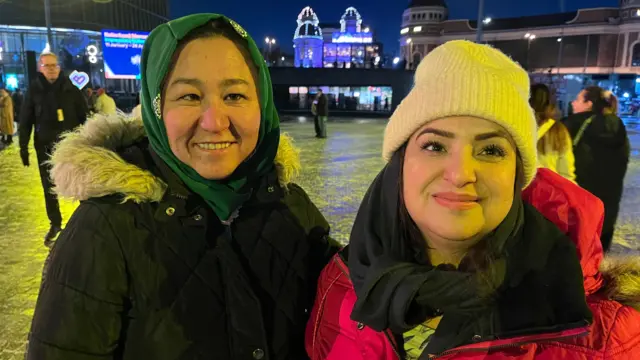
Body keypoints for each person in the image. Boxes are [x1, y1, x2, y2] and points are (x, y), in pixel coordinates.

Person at [27, 14, 339, 360]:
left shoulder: (290, 206)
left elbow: (355, 292)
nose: (214, 122)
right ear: (156, 108)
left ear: (262, 104)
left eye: (235, 95)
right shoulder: (103, 231)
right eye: (189, 96)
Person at [305, 41, 640, 360]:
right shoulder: (340, 282)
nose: (461, 173)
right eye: (435, 146)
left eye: (491, 150)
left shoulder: (609, 339)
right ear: (400, 164)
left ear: (517, 175)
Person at [19, 52, 88, 246]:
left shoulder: (70, 89)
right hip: (45, 146)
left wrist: (89, 142)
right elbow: (25, 120)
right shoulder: (34, 91)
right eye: (47, 65)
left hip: (71, 146)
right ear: (40, 68)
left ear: (59, 67)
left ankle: (86, 220)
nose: (51, 69)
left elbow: (84, 116)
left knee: (80, 182)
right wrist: (23, 147)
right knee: (49, 187)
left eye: (54, 65)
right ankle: (56, 223)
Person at [563, 86, 630, 252]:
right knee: (595, 255)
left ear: (589, 104)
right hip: (607, 206)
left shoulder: (571, 125)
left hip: (576, 205)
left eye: (578, 99)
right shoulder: (618, 127)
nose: (573, 102)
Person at [530, 83, 575, 182]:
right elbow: (566, 170)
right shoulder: (558, 130)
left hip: (520, 191)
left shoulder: (516, 127)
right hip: (548, 191)